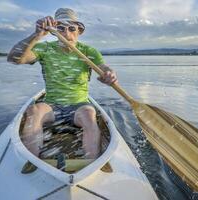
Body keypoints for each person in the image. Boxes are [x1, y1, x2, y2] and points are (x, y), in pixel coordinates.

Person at [7, 8, 118, 171]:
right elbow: (14, 59)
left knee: (89, 114)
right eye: (60, 28)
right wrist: (36, 36)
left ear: (79, 31)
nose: (66, 33)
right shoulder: (45, 49)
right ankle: (33, 162)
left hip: (79, 105)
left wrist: (109, 73)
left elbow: (103, 68)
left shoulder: (88, 51)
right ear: (53, 31)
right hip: (51, 105)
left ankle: (91, 165)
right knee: (34, 110)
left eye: (71, 28)